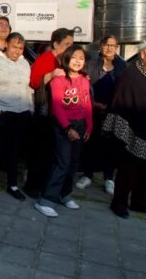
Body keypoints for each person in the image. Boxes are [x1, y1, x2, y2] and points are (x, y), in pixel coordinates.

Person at [104, 39, 146, 219]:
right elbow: (120, 102)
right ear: (143, 54)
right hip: (134, 132)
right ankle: (119, 203)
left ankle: (140, 203)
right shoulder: (130, 75)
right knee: (129, 170)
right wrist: (124, 133)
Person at [35, 45, 92, 218]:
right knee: (62, 162)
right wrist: (68, 128)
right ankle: (46, 200)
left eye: (81, 58)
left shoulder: (84, 80)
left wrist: (89, 126)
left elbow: (87, 105)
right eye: (74, 57)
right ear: (66, 59)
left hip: (81, 125)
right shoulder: (58, 80)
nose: (77, 61)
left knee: (74, 163)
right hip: (63, 126)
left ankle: (64, 194)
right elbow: (57, 107)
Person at [23, 28, 74, 199]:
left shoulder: (67, 60)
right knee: (40, 151)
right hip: (45, 113)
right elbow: (34, 82)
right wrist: (51, 75)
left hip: (61, 113)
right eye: (67, 44)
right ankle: (32, 186)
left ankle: (48, 186)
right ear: (56, 44)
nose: (70, 47)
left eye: (72, 44)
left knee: (53, 153)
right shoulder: (44, 59)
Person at [0, 32, 33, 202]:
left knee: (14, 151)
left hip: (22, 112)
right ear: (6, 45)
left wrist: (30, 108)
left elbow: (28, 88)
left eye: (20, 48)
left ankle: (12, 185)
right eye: (14, 47)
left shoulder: (24, 63)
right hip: (3, 112)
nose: (17, 51)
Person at [76, 35, 126, 194]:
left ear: (116, 48)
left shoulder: (123, 66)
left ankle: (109, 178)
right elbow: (83, 86)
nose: (109, 48)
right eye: (106, 45)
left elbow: (125, 90)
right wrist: (94, 103)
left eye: (113, 45)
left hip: (114, 111)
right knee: (91, 142)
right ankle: (87, 174)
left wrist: (112, 106)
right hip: (92, 109)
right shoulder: (90, 65)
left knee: (111, 145)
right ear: (101, 46)